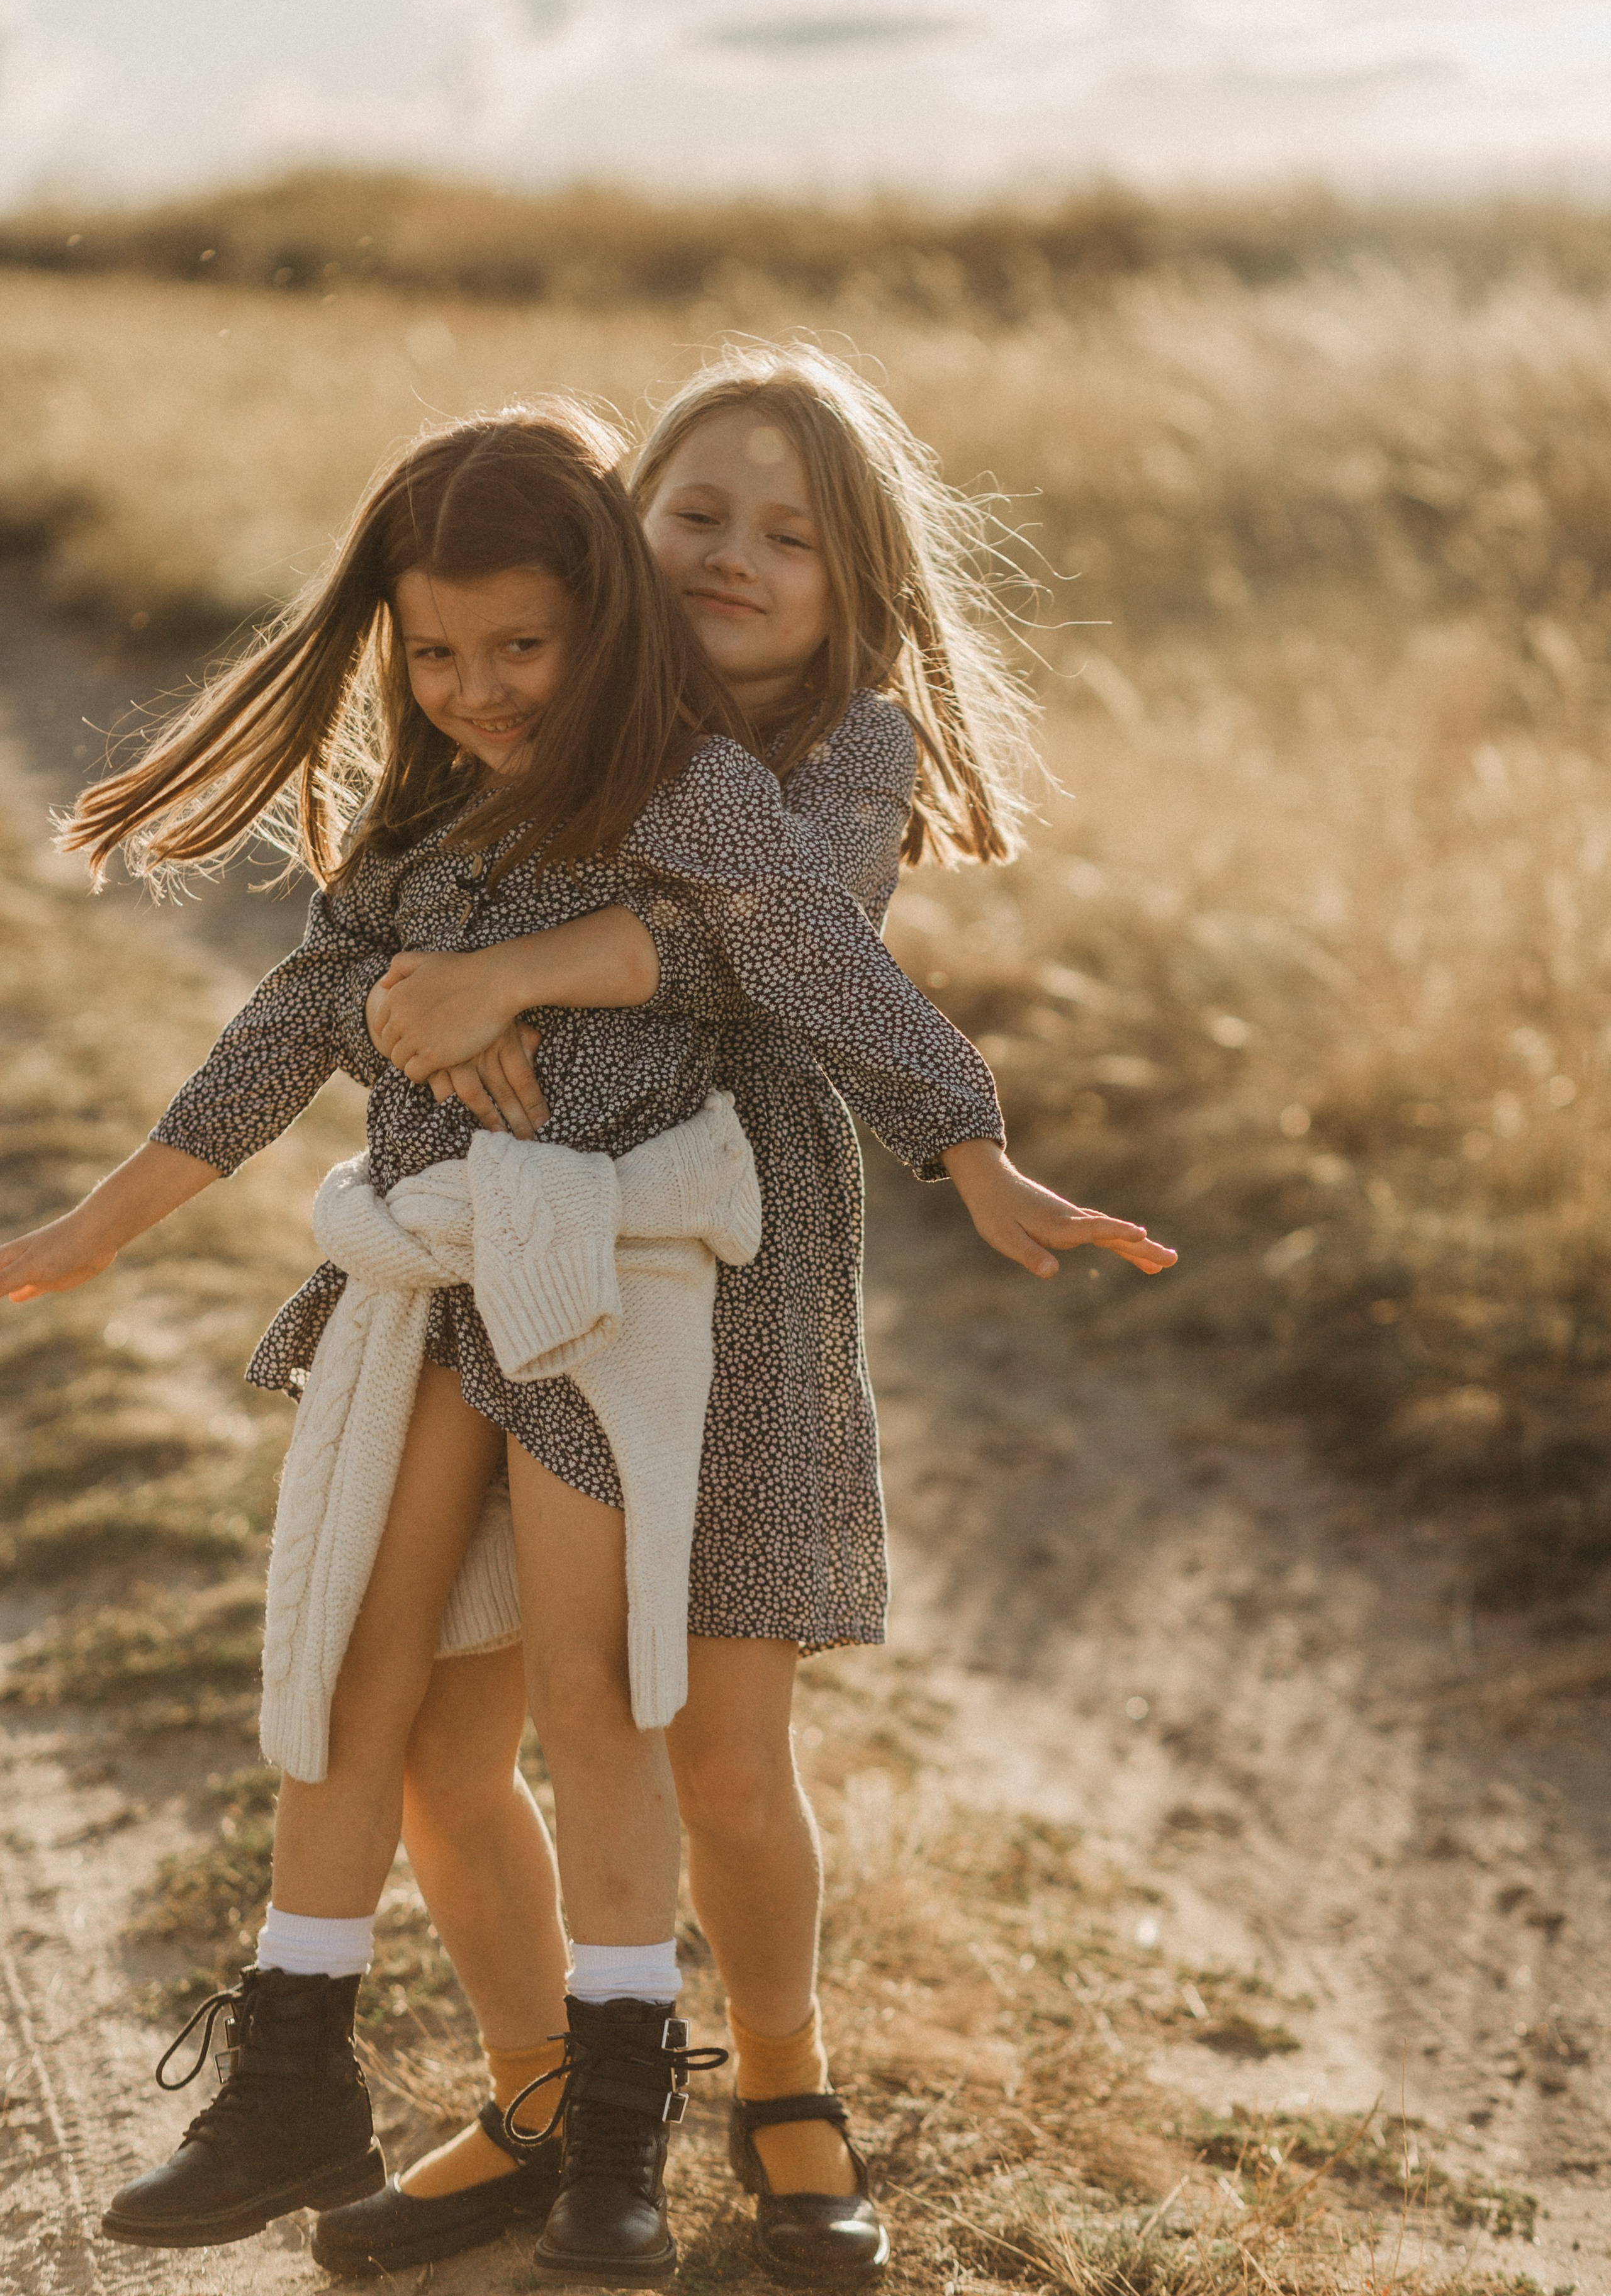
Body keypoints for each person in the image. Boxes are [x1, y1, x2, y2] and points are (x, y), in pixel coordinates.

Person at [0, 388, 1172, 2288]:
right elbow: (337, 974)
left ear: (856, 573)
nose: (733, 554)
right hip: (489, 1262)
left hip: (738, 1261)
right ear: (627, 538)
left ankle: (783, 2089)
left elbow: (780, 941)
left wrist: (964, 1142)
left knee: (702, 1734)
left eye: (789, 536)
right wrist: (382, 1007)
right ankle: (549, 2100)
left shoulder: (820, 750)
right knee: (433, 1732)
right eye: (696, 510)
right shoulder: (514, 730)